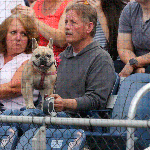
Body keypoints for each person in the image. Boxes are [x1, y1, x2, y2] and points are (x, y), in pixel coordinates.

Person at [50, 3, 116, 118]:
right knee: (22, 115)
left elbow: (97, 101)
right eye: (66, 22)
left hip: (81, 121)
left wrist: (65, 104)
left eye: (73, 22)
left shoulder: (101, 58)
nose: (66, 27)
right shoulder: (62, 57)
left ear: (89, 27)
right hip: (53, 115)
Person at [0, 13, 39, 111]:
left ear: (29, 39)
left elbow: (12, 89)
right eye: (13, 32)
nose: (18, 38)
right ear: (4, 35)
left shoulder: (33, 60)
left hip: (17, 117)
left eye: (24, 34)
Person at [115, 0, 150, 77]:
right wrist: (135, 67)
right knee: (110, 68)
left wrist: (134, 63)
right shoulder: (130, 9)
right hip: (135, 62)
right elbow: (124, 48)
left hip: (141, 63)